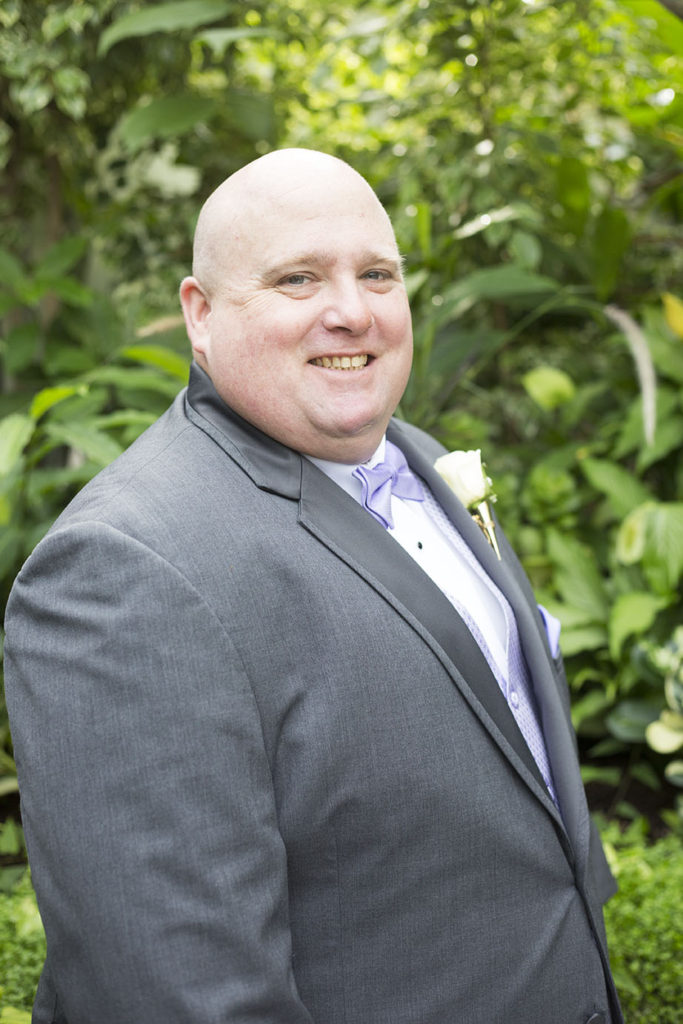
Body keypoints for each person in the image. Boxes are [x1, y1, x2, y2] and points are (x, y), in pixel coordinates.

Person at [4, 148, 622, 1024]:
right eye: (297, 280)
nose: (351, 311)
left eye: (377, 274)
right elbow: (176, 996)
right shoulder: (124, 571)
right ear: (200, 314)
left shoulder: (429, 462)